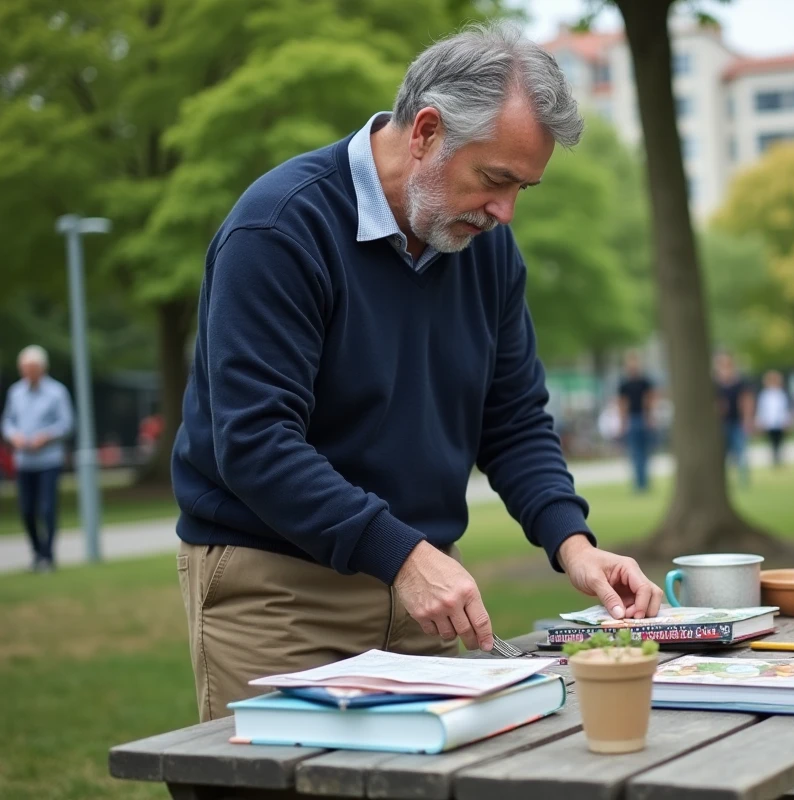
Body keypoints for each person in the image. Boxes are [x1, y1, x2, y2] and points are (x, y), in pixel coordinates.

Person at [170, 22, 664, 722]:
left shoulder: (488, 249)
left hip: (422, 590)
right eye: (495, 180)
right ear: (426, 132)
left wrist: (572, 543)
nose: (506, 212)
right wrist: (402, 555)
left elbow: (514, 419)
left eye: (524, 188)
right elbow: (255, 443)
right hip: (280, 589)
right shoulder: (280, 228)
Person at [2, 345, 74, 572]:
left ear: (42, 368)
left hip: (49, 460)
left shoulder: (57, 392)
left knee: (47, 508)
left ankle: (48, 556)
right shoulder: (16, 392)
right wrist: (15, 437)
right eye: (24, 368)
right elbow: (7, 422)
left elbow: (67, 423)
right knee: (26, 510)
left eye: (32, 368)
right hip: (24, 461)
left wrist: (46, 436)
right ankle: (37, 551)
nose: (28, 373)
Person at [616, 350, 657, 493]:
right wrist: (622, 422)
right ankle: (638, 484)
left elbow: (650, 399)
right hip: (632, 420)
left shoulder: (645, 382)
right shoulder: (624, 384)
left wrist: (650, 417)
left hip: (643, 418)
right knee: (634, 453)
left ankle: (644, 483)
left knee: (645, 453)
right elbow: (622, 404)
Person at [713, 352, 753, 487]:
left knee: (741, 452)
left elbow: (747, 400)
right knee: (722, 454)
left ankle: (743, 481)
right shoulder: (715, 384)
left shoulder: (740, 382)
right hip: (722, 423)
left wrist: (747, 419)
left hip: (737, 421)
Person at [754, 370, 793, 468]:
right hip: (769, 422)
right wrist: (760, 422)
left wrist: (788, 420)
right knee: (772, 442)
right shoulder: (764, 395)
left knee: (780, 441)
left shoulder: (782, 394)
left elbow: (786, 408)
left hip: (780, 422)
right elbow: (762, 409)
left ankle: (779, 459)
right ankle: (774, 460)